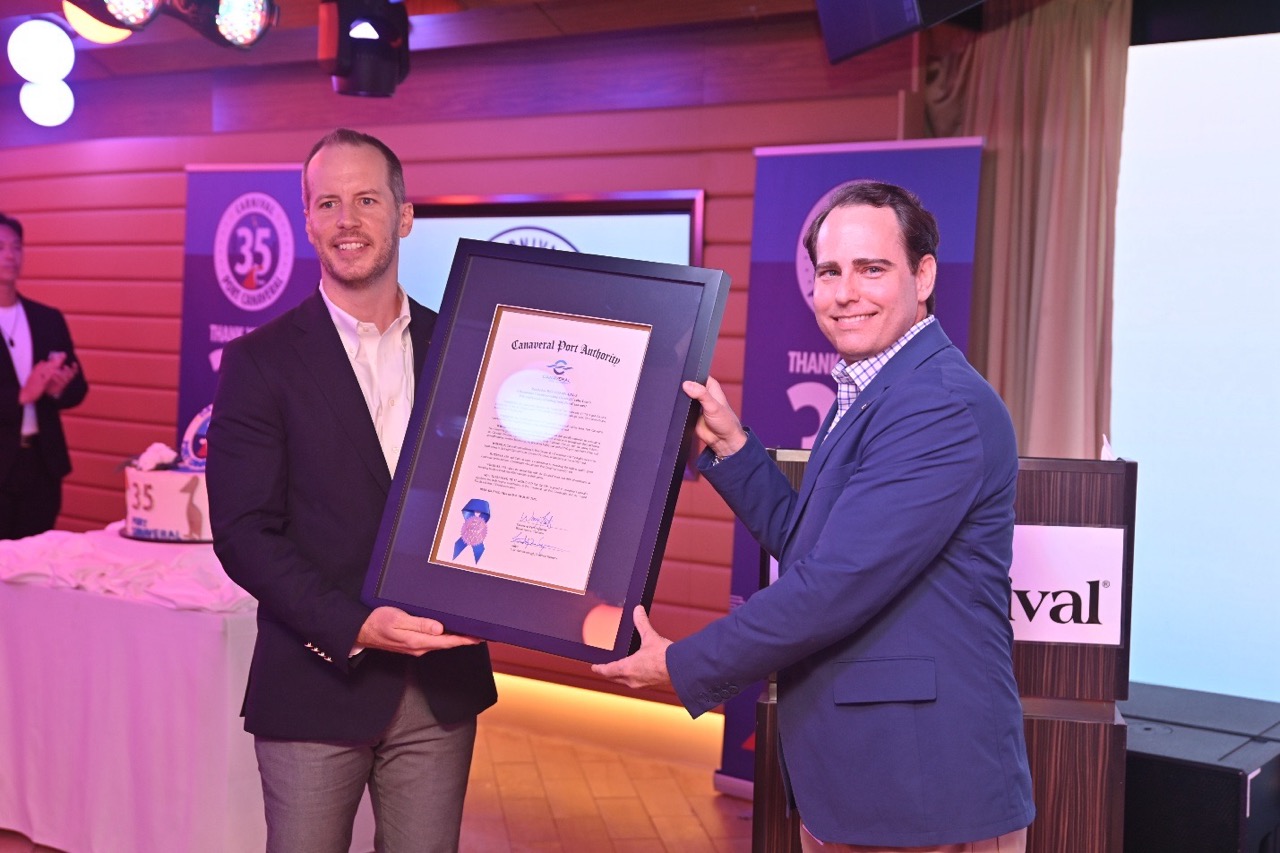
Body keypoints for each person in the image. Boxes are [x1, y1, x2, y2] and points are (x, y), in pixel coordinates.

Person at [594, 181, 1035, 851]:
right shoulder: (873, 385)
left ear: (923, 275)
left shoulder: (938, 404)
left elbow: (833, 585)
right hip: (865, 780)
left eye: (871, 269)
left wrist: (683, 661)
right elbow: (812, 547)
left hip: (921, 789)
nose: (844, 291)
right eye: (830, 271)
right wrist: (734, 446)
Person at [207, 129, 497, 853]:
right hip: (315, 682)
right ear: (306, 220)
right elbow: (243, 533)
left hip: (440, 684)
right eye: (327, 202)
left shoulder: (471, 346)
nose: (347, 220)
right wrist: (355, 625)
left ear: (404, 215)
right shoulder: (257, 363)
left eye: (367, 199)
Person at [0, 212, 88, 540]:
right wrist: (22, 395)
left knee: (35, 564)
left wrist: (55, 390)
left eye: (16, 247)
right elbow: (22, 393)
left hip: (42, 464)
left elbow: (79, 388)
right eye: (1, 247)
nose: (10, 255)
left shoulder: (47, 318)